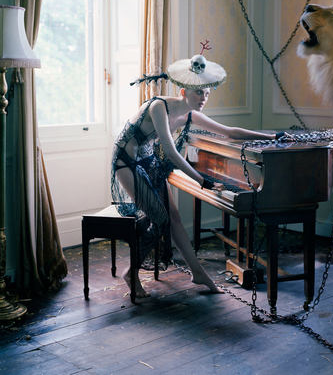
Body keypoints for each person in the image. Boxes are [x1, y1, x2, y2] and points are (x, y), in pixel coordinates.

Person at [111, 53, 284, 297]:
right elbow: (170, 152)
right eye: (198, 93)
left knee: (175, 218)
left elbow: (230, 132)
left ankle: (198, 272)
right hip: (126, 162)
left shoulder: (190, 115)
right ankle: (131, 273)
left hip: (147, 161)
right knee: (159, 219)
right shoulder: (159, 106)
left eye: (206, 94)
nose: (203, 98)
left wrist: (272, 137)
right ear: (183, 91)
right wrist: (201, 180)